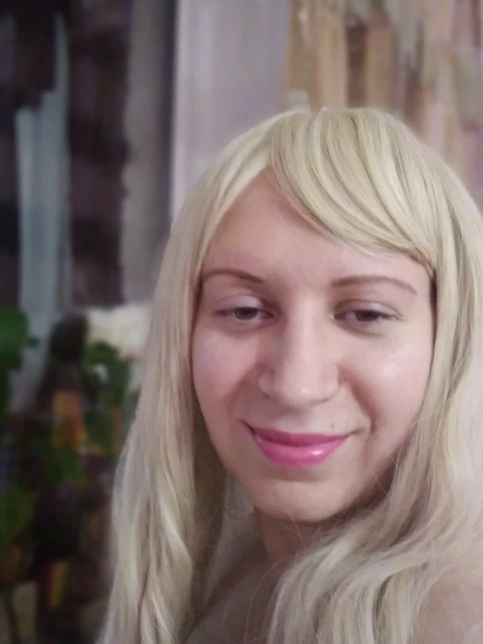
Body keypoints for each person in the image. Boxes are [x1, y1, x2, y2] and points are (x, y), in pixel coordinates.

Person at [99, 108, 483, 644]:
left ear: (451, 340)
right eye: (245, 310)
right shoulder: (221, 585)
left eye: (365, 314)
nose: (296, 385)